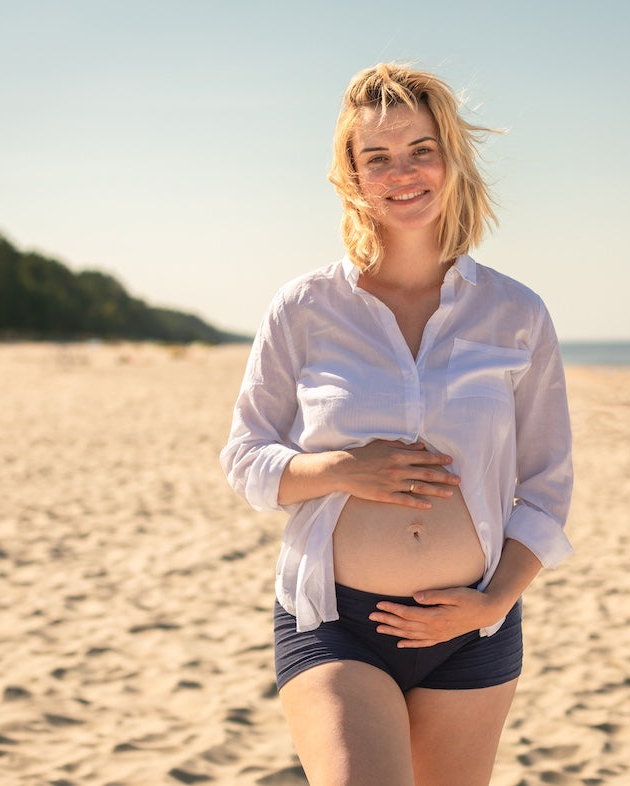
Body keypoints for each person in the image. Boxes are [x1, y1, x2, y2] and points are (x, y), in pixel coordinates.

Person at [220, 63, 574, 786]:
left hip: (472, 630)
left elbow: (546, 487)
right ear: (351, 176)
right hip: (335, 622)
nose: (401, 172)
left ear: (451, 157)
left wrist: (491, 604)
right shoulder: (305, 307)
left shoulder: (516, 314)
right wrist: (343, 470)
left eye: (420, 149)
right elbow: (246, 458)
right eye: (376, 157)